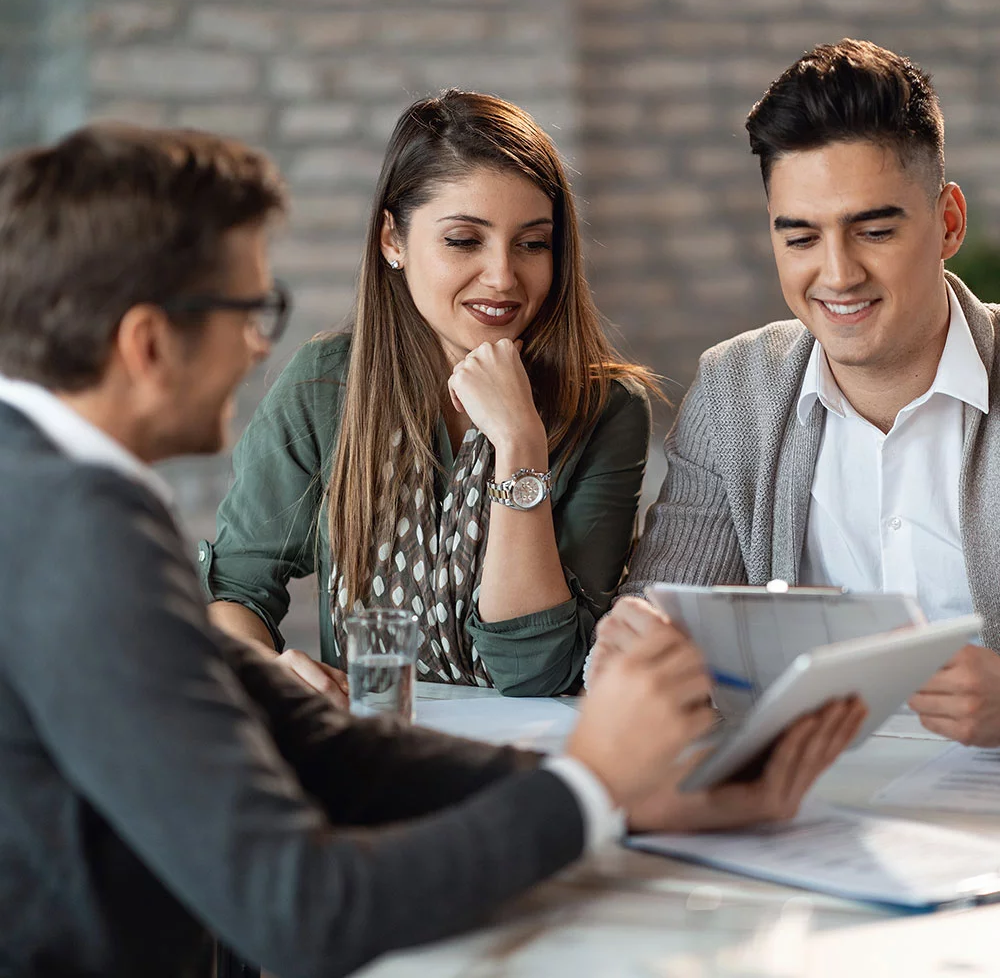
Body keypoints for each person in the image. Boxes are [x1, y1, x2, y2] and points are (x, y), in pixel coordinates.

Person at [0, 123, 865, 977]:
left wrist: (639, 795)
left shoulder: (52, 496)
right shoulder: (75, 530)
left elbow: (323, 745)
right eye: (250, 311)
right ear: (148, 343)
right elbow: (304, 910)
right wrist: (593, 785)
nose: (259, 344)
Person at [595, 38, 1000, 747]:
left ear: (948, 223)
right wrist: (639, 649)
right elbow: (658, 620)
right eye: (801, 238)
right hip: (799, 812)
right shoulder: (735, 393)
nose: (837, 274)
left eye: (873, 230)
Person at [201, 90, 657, 701]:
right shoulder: (326, 384)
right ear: (393, 239)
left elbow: (538, 668)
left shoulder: (607, 408)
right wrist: (262, 670)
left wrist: (521, 445)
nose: (502, 276)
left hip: (536, 749)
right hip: (379, 746)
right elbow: (237, 587)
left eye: (532, 243)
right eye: (465, 240)